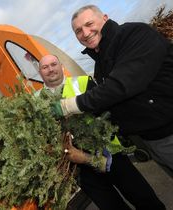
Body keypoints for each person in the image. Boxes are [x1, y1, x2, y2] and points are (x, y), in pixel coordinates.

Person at [53, 4, 173, 177]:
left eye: (89, 24)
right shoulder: (100, 64)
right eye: (78, 31)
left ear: (105, 18)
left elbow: (120, 86)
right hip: (150, 138)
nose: (85, 33)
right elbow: (109, 105)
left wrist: (69, 106)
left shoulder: (134, 34)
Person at [38, 54, 165, 210]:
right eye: (45, 67)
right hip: (79, 168)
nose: (50, 69)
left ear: (61, 66)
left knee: (142, 196)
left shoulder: (82, 83)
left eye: (53, 64)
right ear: (40, 72)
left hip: (110, 153)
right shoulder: (36, 102)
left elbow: (106, 113)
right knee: (110, 205)